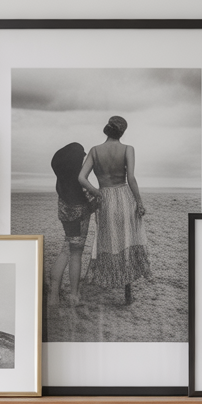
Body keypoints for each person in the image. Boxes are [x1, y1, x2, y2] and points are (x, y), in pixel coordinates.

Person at [77, 115, 151, 304]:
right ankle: (128, 292)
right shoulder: (128, 149)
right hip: (124, 196)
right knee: (127, 238)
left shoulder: (94, 151)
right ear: (122, 132)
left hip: (106, 199)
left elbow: (81, 178)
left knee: (109, 240)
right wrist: (139, 203)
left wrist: (97, 192)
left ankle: (107, 280)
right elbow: (131, 179)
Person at [49, 142, 93, 306]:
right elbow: (92, 202)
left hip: (66, 219)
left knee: (65, 251)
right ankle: (74, 296)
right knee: (74, 254)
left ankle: (54, 296)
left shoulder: (62, 181)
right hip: (79, 220)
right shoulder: (79, 182)